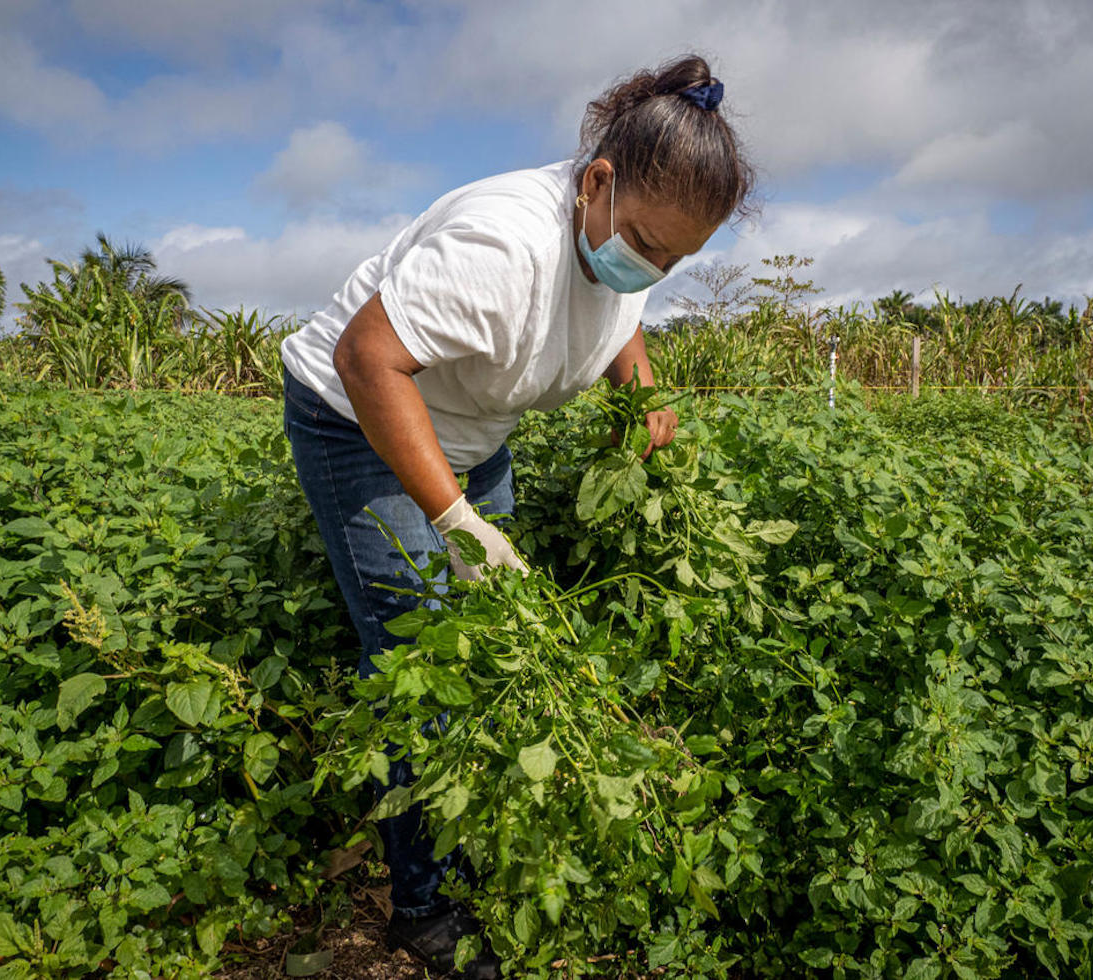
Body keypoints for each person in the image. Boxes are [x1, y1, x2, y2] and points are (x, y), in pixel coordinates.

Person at [279, 53, 754, 978]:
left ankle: (479, 822)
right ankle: (424, 902)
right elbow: (367, 359)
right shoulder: (502, 247)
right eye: (648, 245)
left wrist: (639, 394)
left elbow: (623, 305)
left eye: (678, 258)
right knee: (424, 658)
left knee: (494, 631)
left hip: (470, 426)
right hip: (355, 418)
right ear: (597, 182)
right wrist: (458, 524)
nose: (653, 266)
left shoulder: (629, 230)